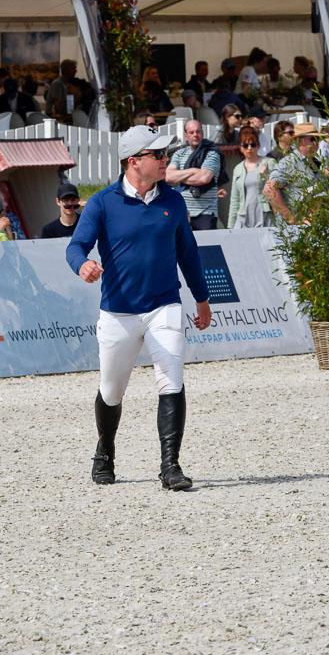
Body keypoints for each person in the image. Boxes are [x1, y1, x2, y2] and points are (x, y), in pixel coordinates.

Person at [66, 125, 210, 490]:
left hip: (165, 305)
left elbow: (188, 254)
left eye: (165, 154)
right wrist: (82, 264)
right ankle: (105, 451)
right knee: (112, 390)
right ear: (134, 161)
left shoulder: (173, 201)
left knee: (171, 379)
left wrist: (202, 298)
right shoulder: (101, 202)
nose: (166, 160)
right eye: (159, 155)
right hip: (118, 311)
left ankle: (170, 466)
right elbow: (75, 246)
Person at [165, 119, 223, 230]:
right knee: (183, 246)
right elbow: (168, 177)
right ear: (185, 135)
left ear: (203, 133)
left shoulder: (212, 153)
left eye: (198, 131)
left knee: (206, 246)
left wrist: (179, 176)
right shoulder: (179, 153)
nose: (195, 135)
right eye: (191, 132)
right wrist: (193, 171)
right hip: (183, 211)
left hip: (206, 213)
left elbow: (204, 179)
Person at [264, 123, 326, 224]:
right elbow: (269, 189)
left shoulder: (316, 163)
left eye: (318, 139)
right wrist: (290, 217)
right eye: (313, 139)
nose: (316, 143)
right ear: (299, 141)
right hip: (294, 231)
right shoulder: (290, 162)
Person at [227, 126, 277, 229]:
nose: (249, 148)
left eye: (253, 144)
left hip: (264, 215)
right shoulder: (238, 169)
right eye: (245, 145)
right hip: (243, 217)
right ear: (240, 148)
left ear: (258, 146)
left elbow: (279, 190)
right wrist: (231, 226)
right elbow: (235, 199)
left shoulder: (269, 163)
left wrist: (265, 176)